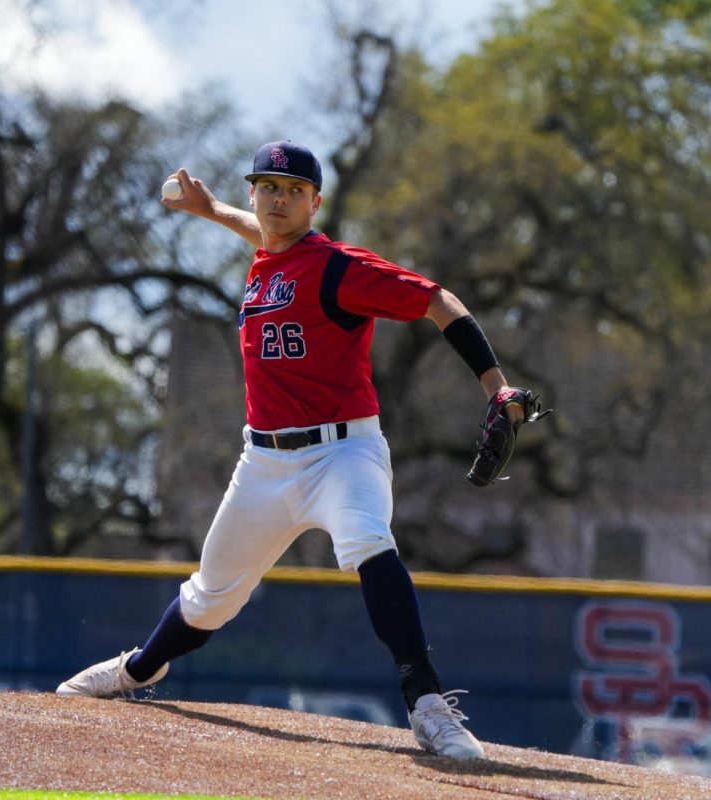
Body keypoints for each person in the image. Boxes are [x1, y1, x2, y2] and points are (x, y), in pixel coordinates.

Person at [56, 140, 525, 760]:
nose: (279, 200)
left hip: (343, 453)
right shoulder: (267, 255)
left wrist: (497, 386)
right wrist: (211, 208)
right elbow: (262, 230)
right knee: (208, 598)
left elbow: (436, 300)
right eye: (269, 187)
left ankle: (427, 703)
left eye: (294, 191)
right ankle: (137, 671)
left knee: (366, 540)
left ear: (315, 203)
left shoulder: (338, 267)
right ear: (255, 192)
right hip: (264, 463)